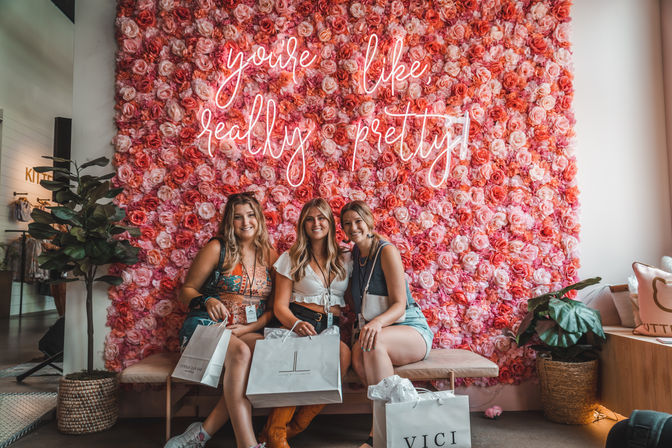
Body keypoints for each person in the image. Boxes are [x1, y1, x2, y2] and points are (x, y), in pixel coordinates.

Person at [166, 192, 277, 448]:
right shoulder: (217, 248)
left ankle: (202, 433)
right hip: (207, 327)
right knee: (240, 355)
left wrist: (249, 327)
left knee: (262, 356)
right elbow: (186, 291)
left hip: (244, 329)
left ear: (259, 218)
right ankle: (246, 443)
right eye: (237, 217)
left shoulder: (270, 255)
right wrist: (207, 300)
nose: (245, 222)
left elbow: (272, 310)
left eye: (250, 215)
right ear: (229, 222)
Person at [258, 198, 352, 448]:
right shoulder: (291, 257)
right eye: (309, 219)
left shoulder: (345, 256)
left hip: (331, 326)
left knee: (343, 356)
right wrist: (296, 324)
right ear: (303, 225)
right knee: (300, 360)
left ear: (331, 223)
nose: (316, 223)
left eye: (321, 217)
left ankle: (295, 426)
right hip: (300, 321)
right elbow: (280, 306)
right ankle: (277, 433)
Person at [340, 200, 434, 448]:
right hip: (380, 332)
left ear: (369, 221)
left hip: (411, 329)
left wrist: (377, 324)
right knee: (359, 357)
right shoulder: (355, 257)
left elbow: (399, 305)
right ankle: (399, 420)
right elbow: (353, 302)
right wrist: (341, 267)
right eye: (347, 224)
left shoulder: (386, 251)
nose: (353, 227)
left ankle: (377, 436)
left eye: (358, 221)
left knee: (373, 342)